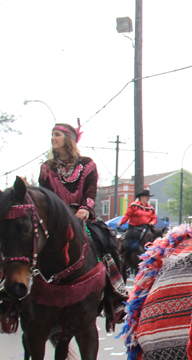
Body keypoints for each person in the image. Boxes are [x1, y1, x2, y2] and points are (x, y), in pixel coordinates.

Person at [39, 121, 127, 320]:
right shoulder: (46, 168)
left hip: (81, 218)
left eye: (57, 135)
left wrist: (85, 208)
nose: (53, 138)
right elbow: (44, 195)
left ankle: (115, 298)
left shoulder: (87, 164)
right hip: (54, 220)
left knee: (107, 242)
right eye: (52, 135)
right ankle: (9, 294)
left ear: (68, 139)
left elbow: (91, 191)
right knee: (24, 242)